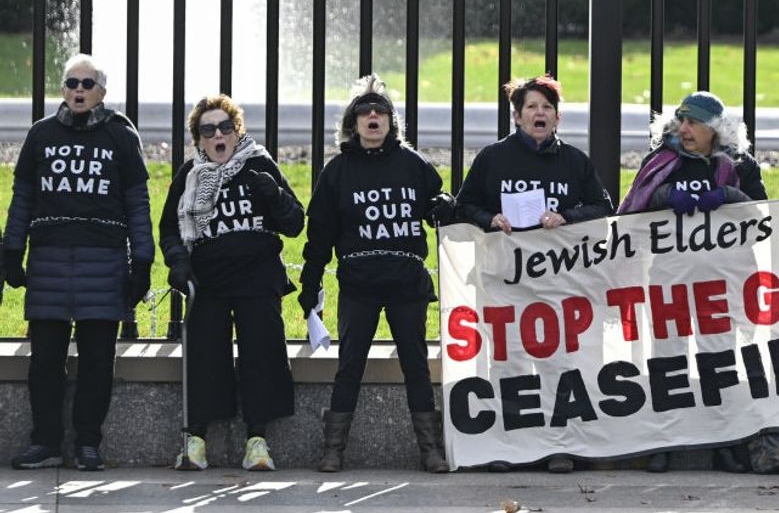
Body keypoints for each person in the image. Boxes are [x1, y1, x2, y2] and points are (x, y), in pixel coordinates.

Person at [455, 74, 613, 473]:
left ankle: (558, 444)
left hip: (557, 284)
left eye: (547, 108)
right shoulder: (493, 158)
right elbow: (464, 205)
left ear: (557, 118)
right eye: (531, 107)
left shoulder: (575, 161)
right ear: (517, 116)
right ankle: (510, 445)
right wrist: (489, 218)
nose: (539, 113)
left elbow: (603, 207)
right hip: (503, 281)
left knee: (557, 364)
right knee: (508, 365)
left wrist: (567, 217)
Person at [5, 54, 154, 471]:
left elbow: (137, 204)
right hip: (49, 261)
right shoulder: (41, 135)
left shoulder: (121, 136)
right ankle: (46, 442)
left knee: (97, 362)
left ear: (102, 92)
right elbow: (22, 200)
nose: (79, 90)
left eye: (88, 84)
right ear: (63, 89)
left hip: (103, 262)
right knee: (44, 362)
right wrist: (12, 251)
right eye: (72, 83)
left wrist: (142, 260)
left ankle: (88, 443)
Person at [298, 75, 454, 474]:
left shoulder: (413, 164)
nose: (373, 116)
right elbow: (320, 234)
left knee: (416, 364)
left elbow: (439, 204)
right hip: (358, 285)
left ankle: (431, 449)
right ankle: (333, 449)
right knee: (350, 364)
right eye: (364, 111)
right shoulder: (337, 172)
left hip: (406, 284)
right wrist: (310, 283)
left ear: (391, 122)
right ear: (352, 123)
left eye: (380, 111)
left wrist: (443, 204)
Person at [618, 90, 765, 474]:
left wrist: (728, 195)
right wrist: (668, 195)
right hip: (669, 278)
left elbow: (762, 216)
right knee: (668, 359)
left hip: (720, 282)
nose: (684, 129)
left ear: (715, 130)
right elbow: (635, 207)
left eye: (694, 123)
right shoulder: (660, 162)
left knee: (718, 359)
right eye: (681, 121)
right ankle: (665, 440)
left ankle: (724, 442)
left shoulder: (740, 166)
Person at [160, 95, 304, 471]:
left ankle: (257, 440)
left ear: (237, 131)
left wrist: (274, 196)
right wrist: (178, 262)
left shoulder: (258, 163)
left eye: (226, 127)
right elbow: (169, 229)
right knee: (205, 355)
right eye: (208, 129)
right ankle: (196, 439)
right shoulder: (190, 174)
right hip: (208, 280)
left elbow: (294, 223)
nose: (218, 135)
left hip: (257, 276)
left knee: (262, 354)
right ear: (199, 138)